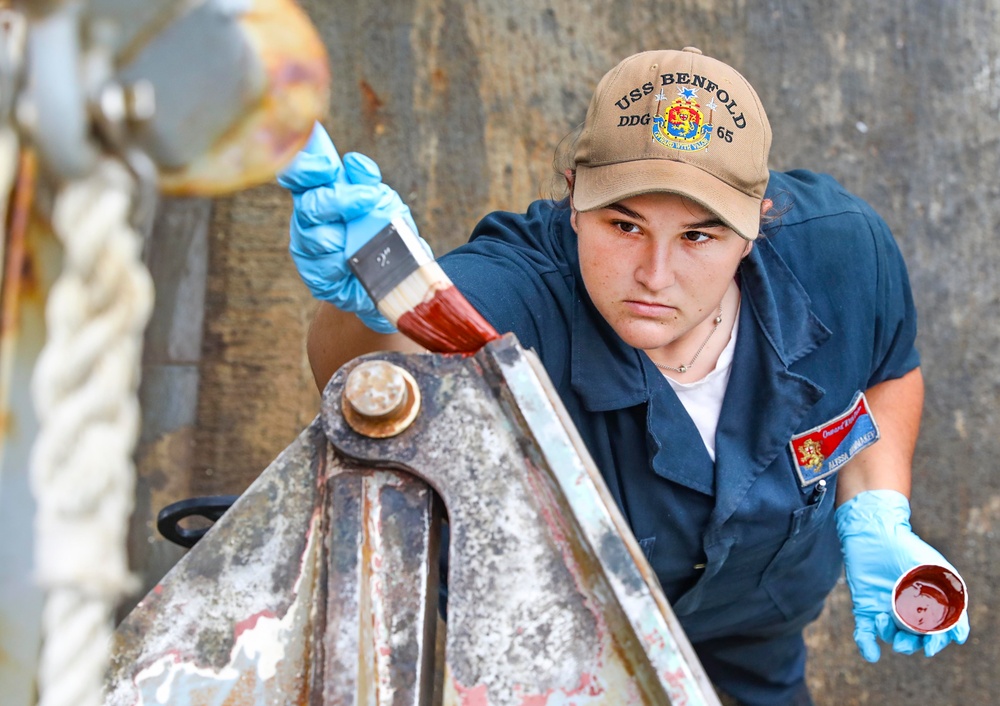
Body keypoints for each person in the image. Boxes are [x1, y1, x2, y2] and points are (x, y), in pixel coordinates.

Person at [278, 47, 970, 706]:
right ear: (575, 198)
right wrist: (372, 295)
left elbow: (886, 370)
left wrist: (877, 511)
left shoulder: (843, 254)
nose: (654, 276)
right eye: (624, 224)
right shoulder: (521, 291)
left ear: (758, 222)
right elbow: (373, 376)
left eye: (699, 235)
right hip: (554, 623)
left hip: (761, 603)